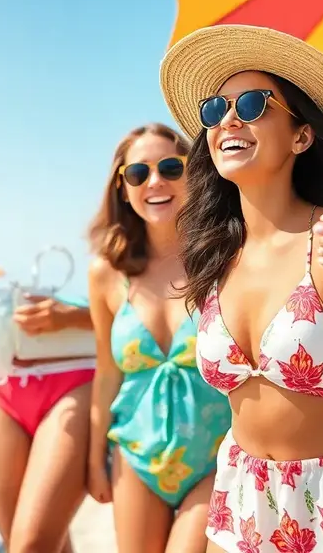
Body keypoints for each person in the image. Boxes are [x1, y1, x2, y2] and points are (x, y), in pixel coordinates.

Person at [160, 25, 323, 552]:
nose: (228, 119)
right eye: (216, 109)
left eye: (253, 104)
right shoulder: (215, 257)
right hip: (243, 491)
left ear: (301, 136)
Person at [87, 123, 232, 552]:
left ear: (194, 172)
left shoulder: (223, 255)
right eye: (138, 173)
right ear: (122, 186)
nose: (155, 182)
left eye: (171, 167)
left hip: (216, 455)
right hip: (135, 454)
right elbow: (107, 371)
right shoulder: (107, 272)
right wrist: (95, 457)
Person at [0, 292, 96, 553]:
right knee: (21, 541)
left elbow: (139, 307)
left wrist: (78, 317)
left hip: (78, 374)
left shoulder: (112, 253)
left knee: (31, 545)